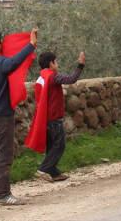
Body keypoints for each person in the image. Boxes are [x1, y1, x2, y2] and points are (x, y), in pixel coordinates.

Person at [0, 27, 38, 206]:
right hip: (1, 116)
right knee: (3, 155)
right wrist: (31, 45)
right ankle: (3, 195)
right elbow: (14, 63)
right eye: (2, 41)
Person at [32, 51, 85, 182]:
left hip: (45, 119)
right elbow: (71, 79)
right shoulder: (53, 77)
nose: (57, 64)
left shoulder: (41, 78)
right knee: (59, 145)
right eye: (56, 61)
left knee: (51, 147)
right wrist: (80, 65)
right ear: (51, 63)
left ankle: (53, 172)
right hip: (54, 119)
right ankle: (43, 169)